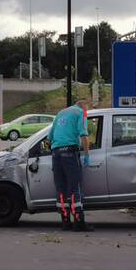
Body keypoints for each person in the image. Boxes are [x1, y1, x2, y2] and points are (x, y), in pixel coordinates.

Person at [47, 97, 93, 232]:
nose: (87, 113)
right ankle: (79, 222)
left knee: (60, 188)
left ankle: (65, 222)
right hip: (70, 152)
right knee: (74, 188)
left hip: (56, 154)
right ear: (84, 107)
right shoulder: (80, 113)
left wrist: (55, 150)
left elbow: (49, 138)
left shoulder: (60, 113)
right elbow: (84, 135)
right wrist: (87, 155)